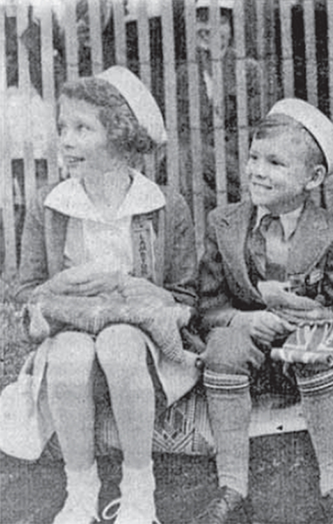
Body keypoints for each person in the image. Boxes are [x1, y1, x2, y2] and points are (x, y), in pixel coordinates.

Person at [14, 65, 199, 524]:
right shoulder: (50, 205)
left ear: (119, 137)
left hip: (138, 350)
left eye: (82, 128)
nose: (67, 140)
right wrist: (58, 288)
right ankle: (81, 491)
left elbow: (183, 294)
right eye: (63, 128)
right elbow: (25, 289)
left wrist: (134, 289)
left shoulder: (162, 204)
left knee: (118, 341)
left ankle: (140, 488)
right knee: (72, 351)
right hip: (70, 336)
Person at [191, 98, 333, 524]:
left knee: (316, 347)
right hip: (245, 342)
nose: (257, 171)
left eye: (275, 163)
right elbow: (207, 306)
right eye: (253, 158)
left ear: (314, 177)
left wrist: (314, 317)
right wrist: (243, 320)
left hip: (302, 343)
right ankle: (231, 487)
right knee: (224, 346)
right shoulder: (224, 223)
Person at [176, 0, 263, 212]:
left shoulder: (248, 70)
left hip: (240, 162)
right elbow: (182, 129)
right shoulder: (185, 74)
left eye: (220, 21)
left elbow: (258, 128)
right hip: (197, 170)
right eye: (202, 20)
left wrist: (217, 154)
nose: (209, 28)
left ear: (231, 29)